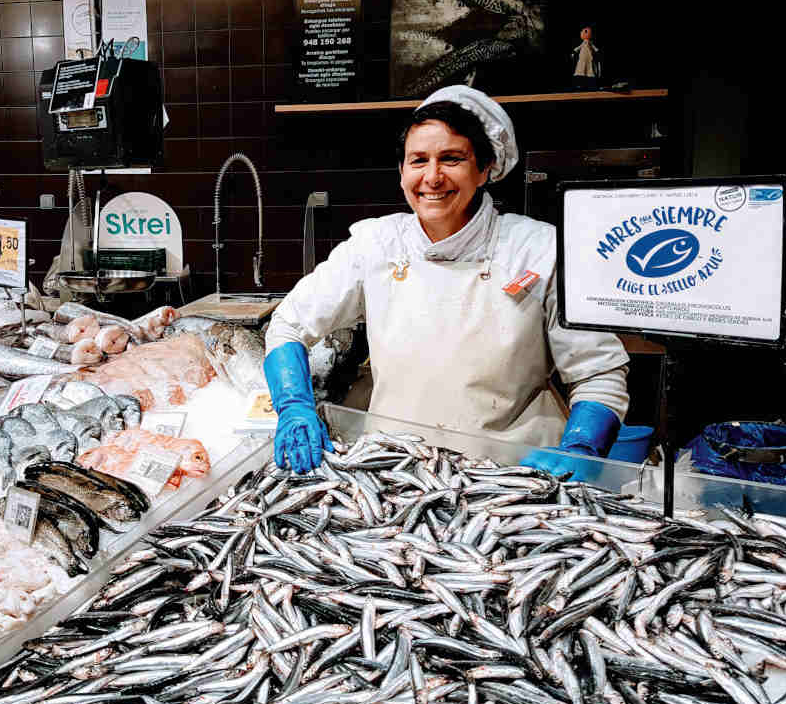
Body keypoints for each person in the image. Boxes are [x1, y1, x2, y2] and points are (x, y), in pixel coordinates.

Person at [263, 85, 629, 475]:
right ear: (402, 171)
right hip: (397, 468)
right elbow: (288, 325)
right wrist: (294, 406)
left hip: (516, 474)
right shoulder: (375, 243)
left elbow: (599, 372)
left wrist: (582, 446)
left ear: (485, 168)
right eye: (418, 160)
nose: (432, 177)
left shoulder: (539, 249)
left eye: (452, 159)